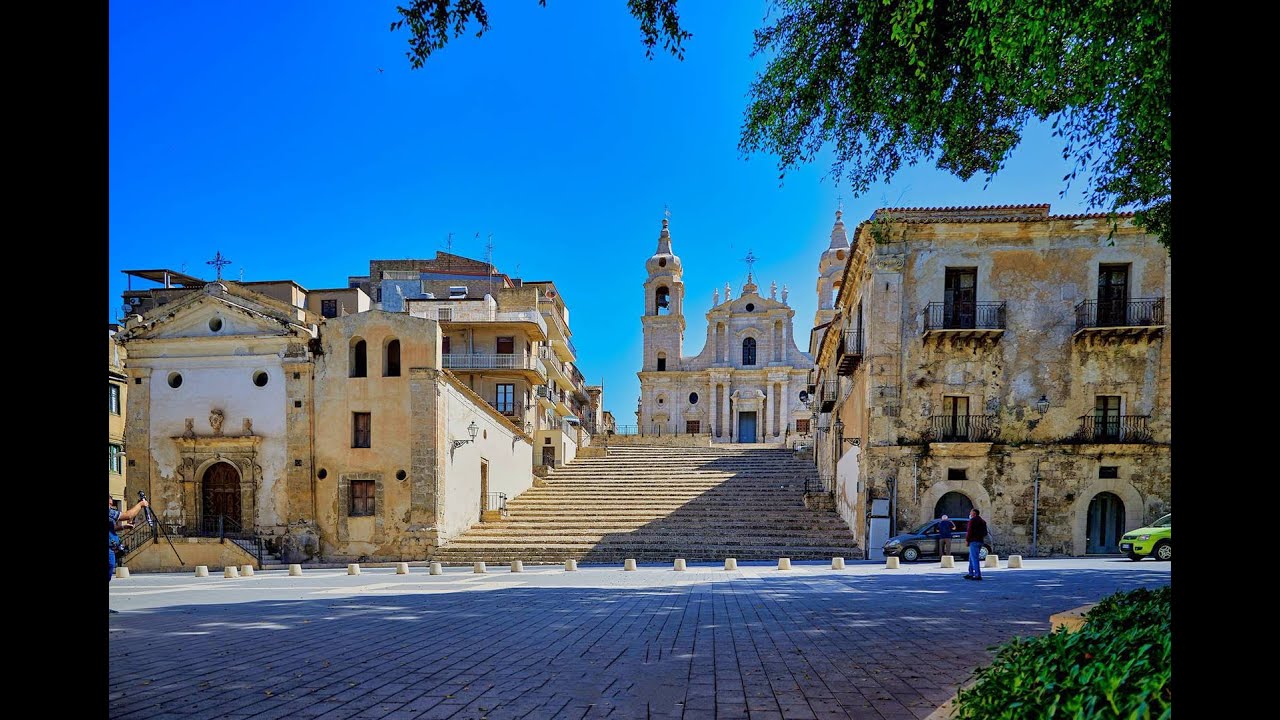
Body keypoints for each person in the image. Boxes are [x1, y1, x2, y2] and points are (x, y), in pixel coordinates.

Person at [109, 495, 149, 609]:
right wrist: (141, 504)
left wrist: (124, 527)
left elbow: (111, 528)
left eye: (112, 503)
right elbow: (128, 515)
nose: (111, 505)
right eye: (110, 503)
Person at [963, 507, 988, 581]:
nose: (970, 513)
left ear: (974, 513)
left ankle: (977, 575)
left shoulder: (972, 521)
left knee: (974, 558)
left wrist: (967, 540)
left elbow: (969, 531)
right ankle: (970, 573)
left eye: (971, 512)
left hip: (973, 541)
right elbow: (985, 532)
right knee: (971, 557)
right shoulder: (983, 521)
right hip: (980, 541)